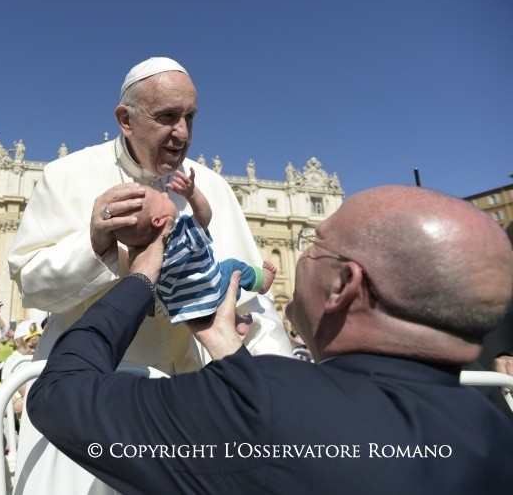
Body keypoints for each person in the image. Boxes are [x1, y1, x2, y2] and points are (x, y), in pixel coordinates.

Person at [28, 185, 513, 493]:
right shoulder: (492, 431)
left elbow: (59, 393)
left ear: (344, 285)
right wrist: (228, 351)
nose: (302, 256)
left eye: (315, 243)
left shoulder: (262, 405)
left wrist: (139, 280)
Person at [7, 56, 292, 493]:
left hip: (188, 393)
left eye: (190, 117)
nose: (182, 133)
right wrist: (94, 244)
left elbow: (255, 306)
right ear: (126, 119)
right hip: (83, 394)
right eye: (167, 117)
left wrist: (277, 394)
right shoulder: (66, 175)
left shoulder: (211, 188)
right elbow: (31, 285)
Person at [113, 169, 276, 323]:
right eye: (161, 198)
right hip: (210, 293)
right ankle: (261, 282)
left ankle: (237, 321)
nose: (165, 193)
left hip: (184, 311)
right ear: (159, 220)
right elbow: (205, 215)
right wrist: (192, 194)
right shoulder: (180, 238)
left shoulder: (144, 256)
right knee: (233, 267)